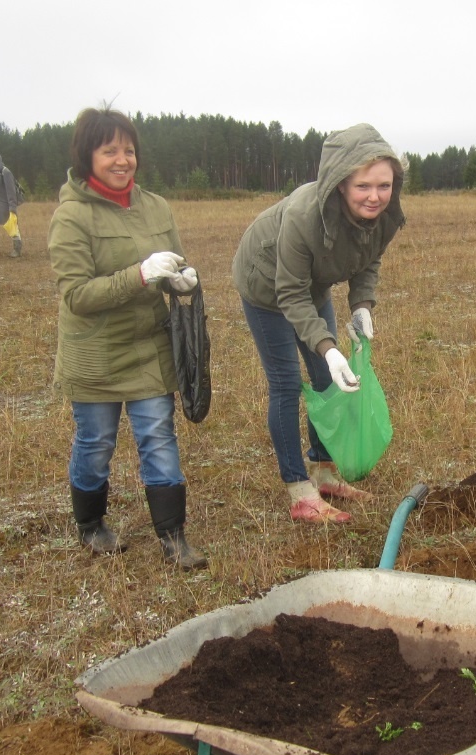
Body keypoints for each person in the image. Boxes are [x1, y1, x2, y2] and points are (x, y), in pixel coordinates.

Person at [47, 107, 207, 569]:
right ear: (87, 156)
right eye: (109, 150)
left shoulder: (155, 206)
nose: (122, 160)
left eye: (129, 150)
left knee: (158, 435)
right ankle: (92, 525)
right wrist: (139, 275)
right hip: (94, 355)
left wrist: (181, 280)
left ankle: (174, 539)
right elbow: (76, 295)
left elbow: (173, 263)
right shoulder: (71, 217)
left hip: (149, 348)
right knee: (96, 443)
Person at [232, 123, 406, 524]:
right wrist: (327, 347)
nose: (376, 196)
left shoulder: (387, 214)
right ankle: (299, 490)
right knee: (288, 383)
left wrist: (362, 304)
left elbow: (370, 256)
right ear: (341, 183)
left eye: (385, 185)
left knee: (328, 381)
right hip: (267, 286)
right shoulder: (303, 215)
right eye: (364, 186)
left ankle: (323, 471)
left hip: (313, 284)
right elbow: (289, 293)